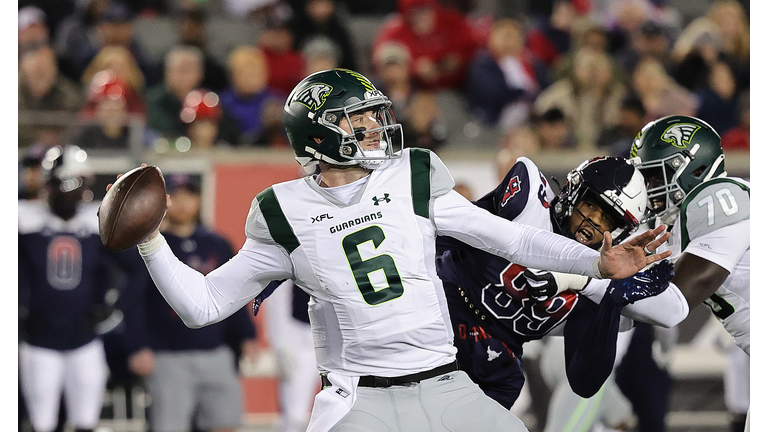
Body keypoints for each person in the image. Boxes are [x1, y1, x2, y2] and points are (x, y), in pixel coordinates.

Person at [119, 68, 671, 432]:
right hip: (360, 402)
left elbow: (512, 238)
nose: (374, 127)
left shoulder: (413, 174)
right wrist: (149, 242)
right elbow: (204, 305)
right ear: (319, 134)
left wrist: (596, 262)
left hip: (446, 380)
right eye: (357, 120)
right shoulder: (280, 210)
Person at [434, 155, 688, 411]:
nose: (596, 220)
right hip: (444, 313)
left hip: (496, 360)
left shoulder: (593, 286)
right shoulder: (530, 198)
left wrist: (608, 292)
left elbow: (585, 383)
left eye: (609, 219)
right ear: (572, 191)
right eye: (591, 205)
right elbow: (454, 232)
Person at [121, 174, 259, 432]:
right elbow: (133, 301)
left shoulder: (216, 243)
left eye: (190, 195)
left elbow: (234, 293)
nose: (184, 203)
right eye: (178, 196)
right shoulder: (150, 246)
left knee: (225, 423)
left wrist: (246, 335)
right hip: (168, 354)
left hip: (214, 349)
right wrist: (137, 346)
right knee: (169, 426)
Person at [19, 145, 135, 432]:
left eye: (75, 185)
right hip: (39, 338)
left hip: (84, 338)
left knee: (86, 421)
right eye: (64, 185)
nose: (70, 193)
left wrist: (112, 306)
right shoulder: (24, 221)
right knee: (42, 422)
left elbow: (135, 268)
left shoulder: (96, 222)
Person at [629, 115, 750, 357]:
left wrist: (588, 282)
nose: (648, 188)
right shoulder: (675, 222)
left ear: (695, 167)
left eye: (654, 176)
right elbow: (634, 308)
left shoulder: (717, 197)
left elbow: (671, 304)